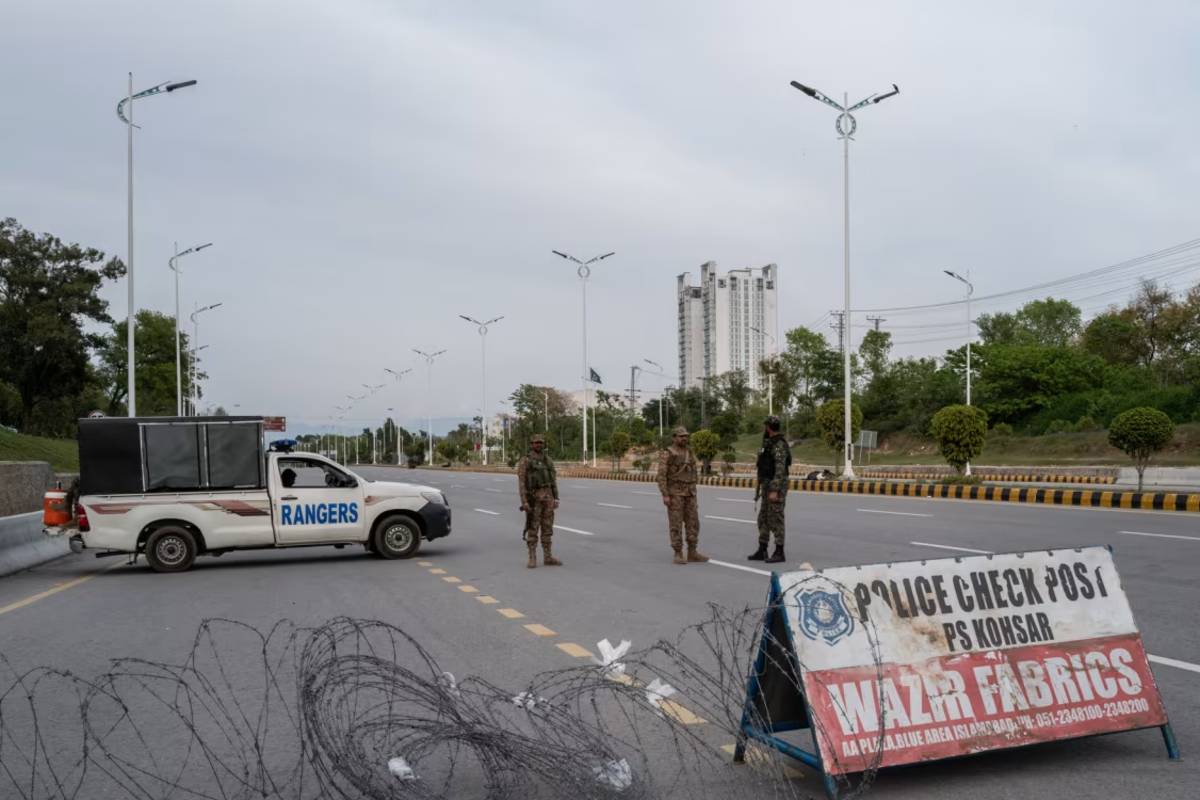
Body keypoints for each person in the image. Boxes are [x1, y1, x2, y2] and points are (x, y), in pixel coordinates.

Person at [657, 426, 708, 565]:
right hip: (675, 494)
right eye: (681, 436)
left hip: (690, 493)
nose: (684, 438)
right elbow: (661, 475)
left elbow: (693, 471)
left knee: (693, 523)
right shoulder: (668, 453)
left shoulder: (689, 452)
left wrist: (693, 486)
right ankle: (678, 552)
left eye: (686, 436)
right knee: (676, 523)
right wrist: (665, 494)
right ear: (674, 438)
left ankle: (692, 552)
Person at [750, 415, 791, 563]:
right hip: (767, 485)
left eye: (765, 426)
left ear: (768, 427)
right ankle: (762, 549)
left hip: (776, 486)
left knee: (776, 518)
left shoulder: (779, 444)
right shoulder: (767, 443)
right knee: (764, 518)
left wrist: (775, 489)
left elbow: (780, 469)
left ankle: (779, 552)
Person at [517, 434, 561, 568]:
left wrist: (556, 497)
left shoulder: (548, 460)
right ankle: (532, 557)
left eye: (541, 443)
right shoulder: (526, 461)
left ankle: (548, 557)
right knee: (533, 528)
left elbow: (553, 480)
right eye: (536, 443)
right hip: (533, 498)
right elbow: (522, 483)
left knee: (547, 528)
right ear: (531, 444)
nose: (539, 445)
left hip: (548, 497)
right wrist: (524, 501)